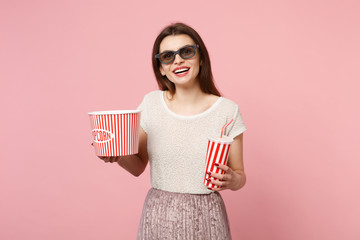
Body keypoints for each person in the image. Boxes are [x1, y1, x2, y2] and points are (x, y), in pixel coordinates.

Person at [98, 22, 246, 240]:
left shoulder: (227, 110)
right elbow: (137, 166)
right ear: (161, 68)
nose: (178, 60)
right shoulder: (151, 104)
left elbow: (240, 176)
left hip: (207, 217)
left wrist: (233, 180)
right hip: (159, 216)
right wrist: (117, 155)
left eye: (186, 52)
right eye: (167, 56)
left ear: (200, 57)